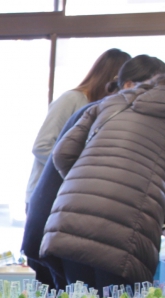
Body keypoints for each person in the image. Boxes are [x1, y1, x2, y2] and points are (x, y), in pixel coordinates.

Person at [42, 62, 165, 291]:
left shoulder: (116, 101)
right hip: (124, 231)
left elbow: (62, 154)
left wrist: (88, 187)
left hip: (67, 222)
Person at [22, 55, 165, 288]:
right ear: (128, 85)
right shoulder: (100, 112)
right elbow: (55, 153)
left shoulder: (110, 113)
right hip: (67, 226)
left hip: (68, 227)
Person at [24, 48, 130, 205]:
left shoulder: (105, 108)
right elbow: (41, 146)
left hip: (73, 195)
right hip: (47, 194)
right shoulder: (72, 99)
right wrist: (79, 169)